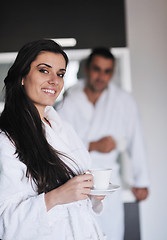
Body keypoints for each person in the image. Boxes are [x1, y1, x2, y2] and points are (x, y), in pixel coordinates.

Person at [0, 40, 106, 240]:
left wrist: (91, 192)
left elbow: (78, 195)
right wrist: (57, 197)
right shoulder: (6, 139)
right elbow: (5, 223)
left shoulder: (64, 128)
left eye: (60, 74)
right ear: (22, 76)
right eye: (44, 70)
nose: (55, 81)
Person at [57, 47, 150, 240]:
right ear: (88, 69)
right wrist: (92, 145)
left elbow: (136, 139)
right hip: (75, 178)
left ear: (112, 73)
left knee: (111, 232)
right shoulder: (71, 97)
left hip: (108, 180)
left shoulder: (124, 101)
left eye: (107, 71)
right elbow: (57, 138)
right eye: (97, 69)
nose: (101, 76)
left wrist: (141, 181)